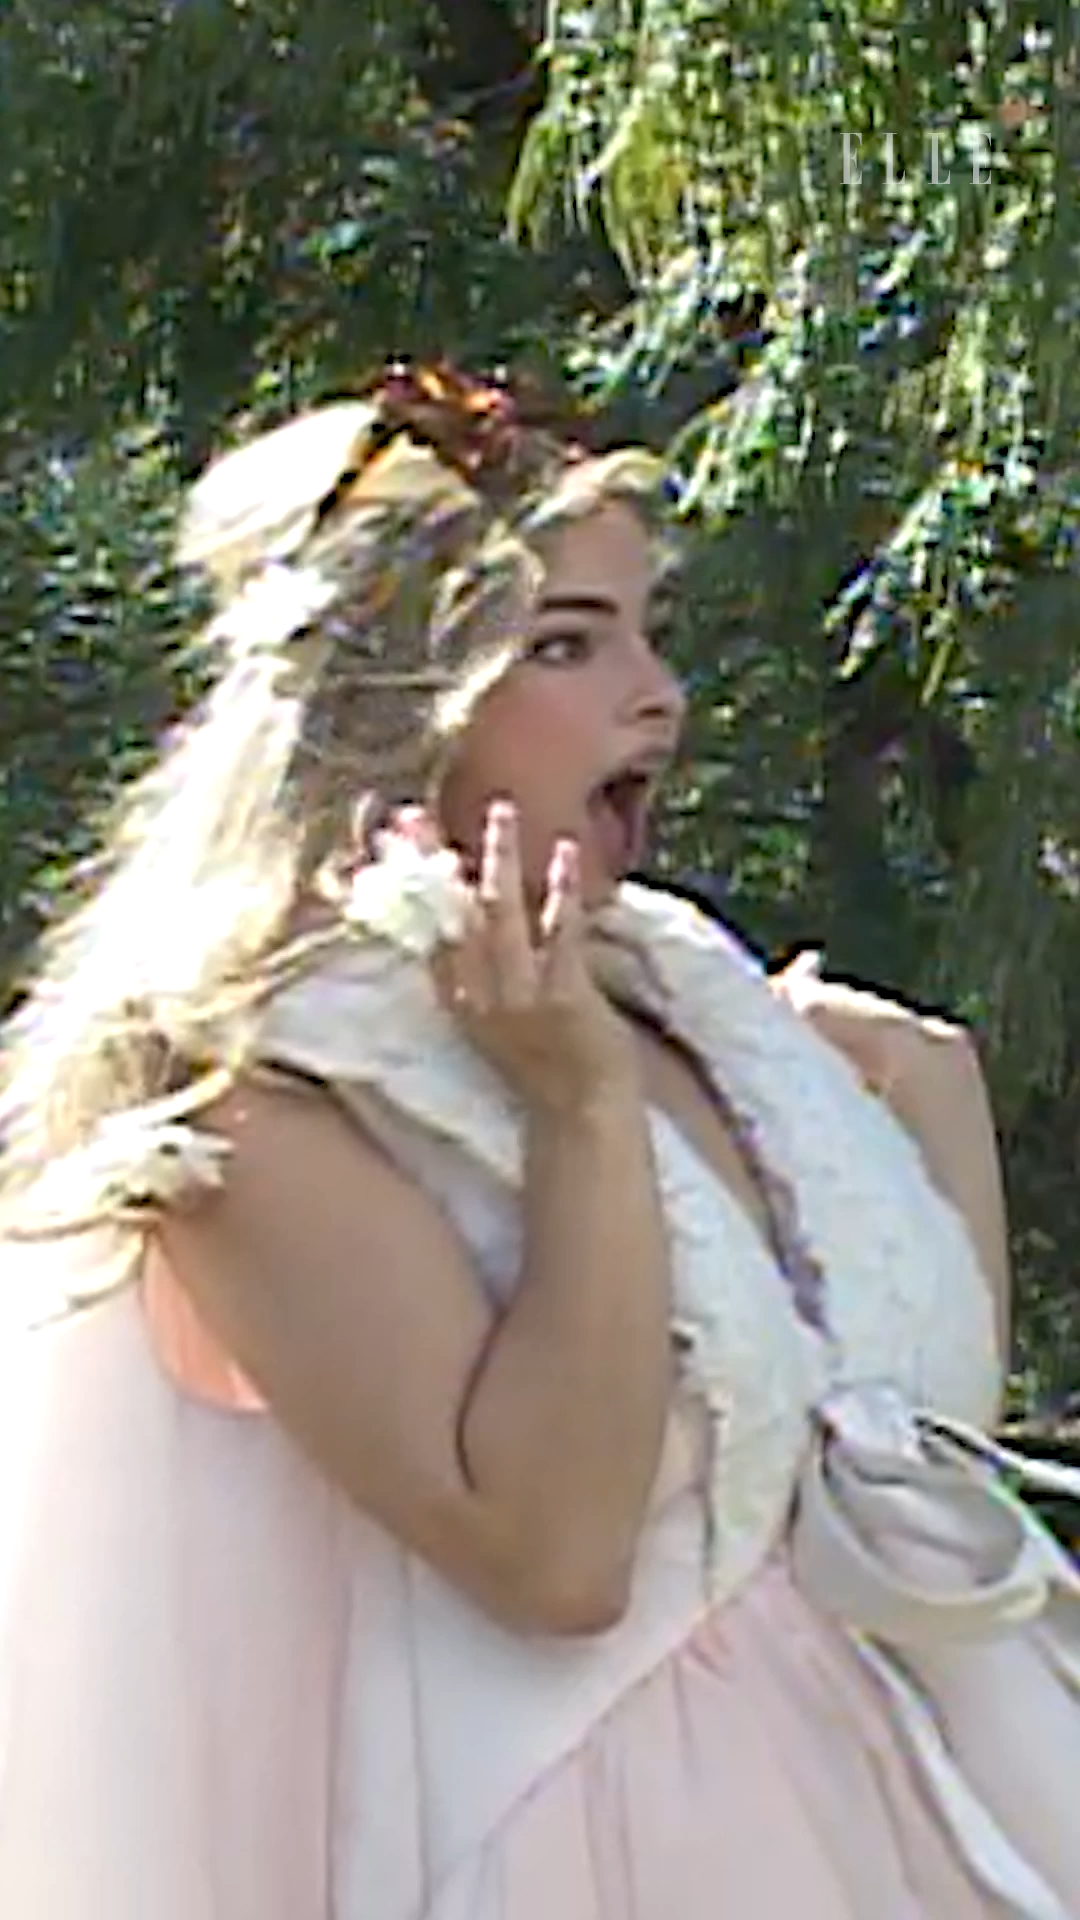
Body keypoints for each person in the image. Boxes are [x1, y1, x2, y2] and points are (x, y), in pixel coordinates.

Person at [0, 361, 1016, 1917]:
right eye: (568, 642)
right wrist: (578, 1113)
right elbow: (553, 1555)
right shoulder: (260, 1087)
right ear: (397, 699)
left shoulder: (690, 995)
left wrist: (938, 1102)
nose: (659, 697)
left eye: (649, 632)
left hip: (916, 1818)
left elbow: (929, 1481)